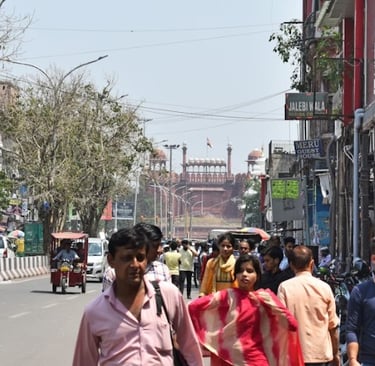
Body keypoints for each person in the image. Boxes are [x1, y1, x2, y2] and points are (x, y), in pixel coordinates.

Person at [73, 227, 203, 366]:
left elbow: (190, 346)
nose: (135, 265)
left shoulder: (168, 295)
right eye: (127, 258)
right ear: (111, 260)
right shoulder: (95, 312)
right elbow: (84, 361)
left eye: (140, 258)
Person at [189, 254, 304, 366]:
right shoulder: (226, 296)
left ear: (258, 276)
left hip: (256, 359)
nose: (244, 274)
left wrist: (274, 306)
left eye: (249, 271)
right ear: (235, 275)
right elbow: (192, 307)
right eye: (240, 271)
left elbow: (292, 325)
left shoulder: (265, 298)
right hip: (229, 359)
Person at [277, 245, 340, 366]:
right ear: (312, 264)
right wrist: (336, 354)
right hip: (321, 355)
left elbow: (281, 323)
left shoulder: (284, 288)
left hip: (295, 355)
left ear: (291, 265)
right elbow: (332, 326)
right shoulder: (324, 288)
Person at [346, 241, 375, 365]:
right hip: (369, 359)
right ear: (373, 259)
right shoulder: (360, 292)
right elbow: (352, 329)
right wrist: (352, 359)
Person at [199, 232, 237, 297]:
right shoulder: (211, 263)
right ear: (219, 246)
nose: (225, 249)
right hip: (215, 300)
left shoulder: (237, 264)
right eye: (223, 246)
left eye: (228, 246)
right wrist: (202, 295)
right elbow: (205, 283)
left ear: (233, 248)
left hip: (232, 300)